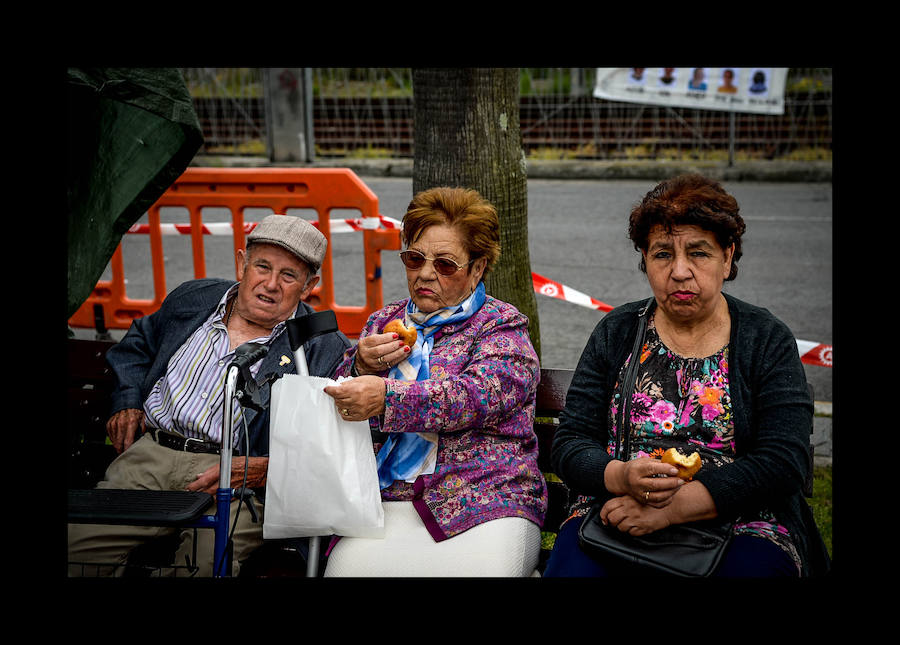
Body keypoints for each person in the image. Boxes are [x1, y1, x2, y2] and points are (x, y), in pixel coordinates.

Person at [544, 174, 831, 577]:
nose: (680, 271)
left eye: (699, 253)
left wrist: (671, 510)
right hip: (620, 514)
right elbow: (571, 442)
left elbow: (783, 461)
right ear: (645, 259)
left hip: (742, 522)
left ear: (727, 258)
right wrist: (622, 476)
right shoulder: (617, 331)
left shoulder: (765, 339)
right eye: (663, 254)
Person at [68, 214, 351, 577]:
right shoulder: (194, 299)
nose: (270, 284)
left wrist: (265, 469)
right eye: (262, 267)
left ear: (309, 285)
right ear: (241, 263)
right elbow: (137, 343)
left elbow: (330, 444)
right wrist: (128, 400)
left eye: (288, 275)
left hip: (236, 476)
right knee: (77, 548)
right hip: (150, 455)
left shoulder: (321, 346)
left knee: (204, 564)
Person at [321, 186, 547, 576]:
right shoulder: (383, 322)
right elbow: (338, 406)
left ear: (477, 268)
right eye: (414, 258)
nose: (425, 274)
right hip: (387, 497)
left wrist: (387, 397)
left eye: (445, 264)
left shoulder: (502, 327)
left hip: (487, 499)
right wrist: (359, 367)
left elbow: (476, 395)